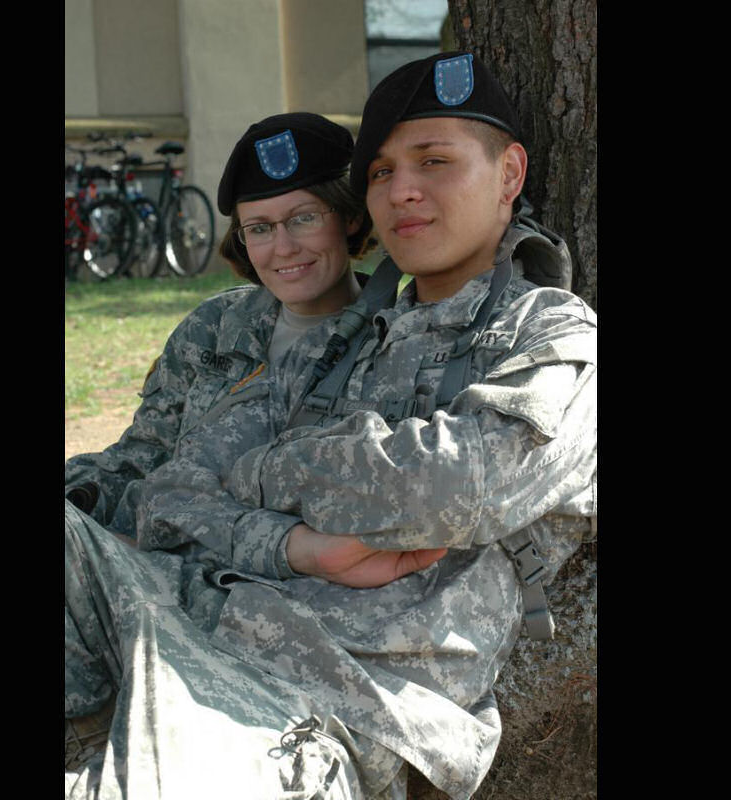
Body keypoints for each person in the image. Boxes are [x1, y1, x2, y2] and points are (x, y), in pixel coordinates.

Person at [66, 51, 596, 800]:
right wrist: (297, 545)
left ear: (509, 174)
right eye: (380, 172)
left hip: (322, 702)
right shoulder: (343, 338)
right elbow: (174, 492)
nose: (402, 189)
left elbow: (451, 486)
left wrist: (269, 471)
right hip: (195, 618)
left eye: (434, 161)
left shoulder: (552, 334)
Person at [64, 112, 374, 538]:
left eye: (303, 218)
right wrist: (79, 494)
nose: (283, 248)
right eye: (259, 228)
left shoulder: (393, 340)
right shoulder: (213, 328)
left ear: (349, 216)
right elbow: (142, 456)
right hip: (150, 554)